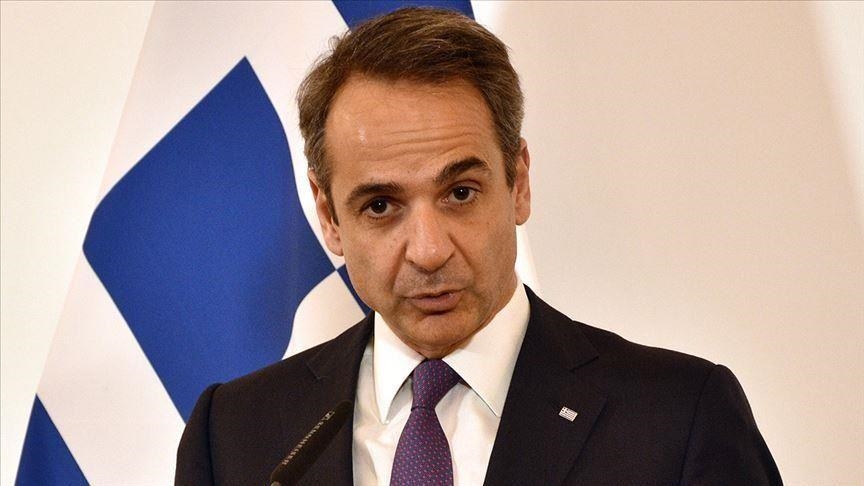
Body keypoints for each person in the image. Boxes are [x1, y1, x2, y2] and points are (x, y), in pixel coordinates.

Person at [175, 7, 781, 485]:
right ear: (330, 216)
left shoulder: (676, 419)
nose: (428, 250)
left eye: (460, 193)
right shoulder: (235, 435)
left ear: (519, 183)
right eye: (380, 206)